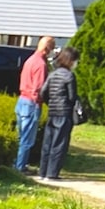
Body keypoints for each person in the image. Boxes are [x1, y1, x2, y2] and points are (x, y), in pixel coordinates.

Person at [13, 34, 55, 172]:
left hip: (22, 100)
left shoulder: (30, 60)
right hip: (32, 103)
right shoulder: (41, 65)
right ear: (47, 49)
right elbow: (38, 88)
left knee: (20, 136)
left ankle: (17, 163)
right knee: (27, 138)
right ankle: (20, 166)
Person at [38, 47, 80, 182]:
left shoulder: (52, 74)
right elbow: (72, 97)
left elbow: (43, 92)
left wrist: (50, 103)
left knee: (48, 143)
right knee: (59, 143)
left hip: (52, 112)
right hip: (64, 113)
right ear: (71, 61)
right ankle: (52, 173)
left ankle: (43, 172)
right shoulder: (69, 76)